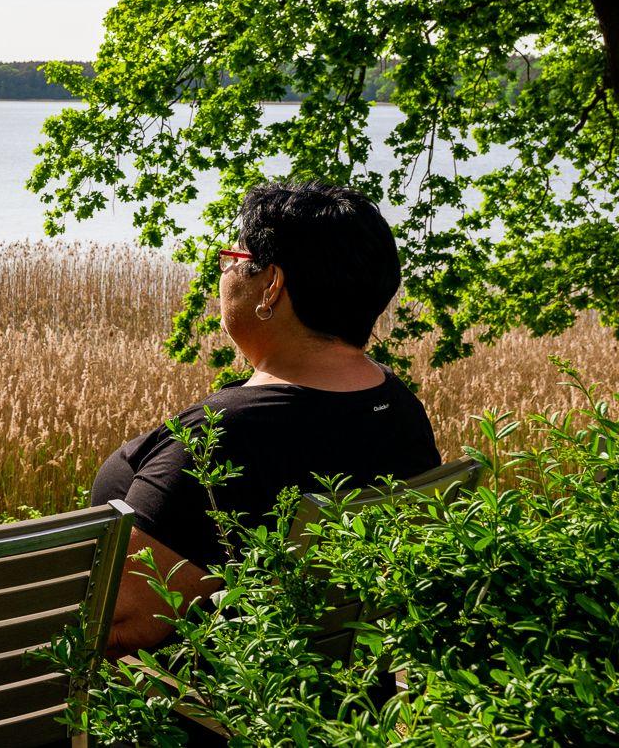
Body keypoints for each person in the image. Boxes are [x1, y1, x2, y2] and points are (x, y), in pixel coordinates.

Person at [92, 181, 441, 656]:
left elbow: (122, 624)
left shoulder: (225, 436)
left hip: (206, 713)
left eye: (232, 258)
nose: (223, 272)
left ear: (271, 285)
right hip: (339, 693)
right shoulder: (398, 407)